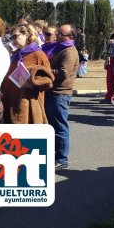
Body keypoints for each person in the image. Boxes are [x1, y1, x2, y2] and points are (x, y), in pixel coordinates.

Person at [1, 24, 54, 124]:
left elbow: (48, 80)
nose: (13, 40)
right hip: (11, 102)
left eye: (15, 36)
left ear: (27, 34)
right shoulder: (16, 55)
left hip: (27, 105)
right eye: (11, 37)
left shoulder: (38, 55)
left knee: (25, 138)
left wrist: (31, 82)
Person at [45, 24, 79, 170]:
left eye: (61, 34)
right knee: (53, 125)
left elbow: (62, 73)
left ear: (70, 37)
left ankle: (62, 158)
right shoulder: (60, 48)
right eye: (58, 32)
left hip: (60, 93)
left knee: (59, 126)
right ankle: (56, 155)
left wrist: (45, 71)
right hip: (53, 92)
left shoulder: (69, 52)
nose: (57, 35)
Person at [104, 24, 114, 103]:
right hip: (110, 59)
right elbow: (107, 49)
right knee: (109, 79)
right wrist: (106, 59)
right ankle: (109, 95)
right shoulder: (112, 36)